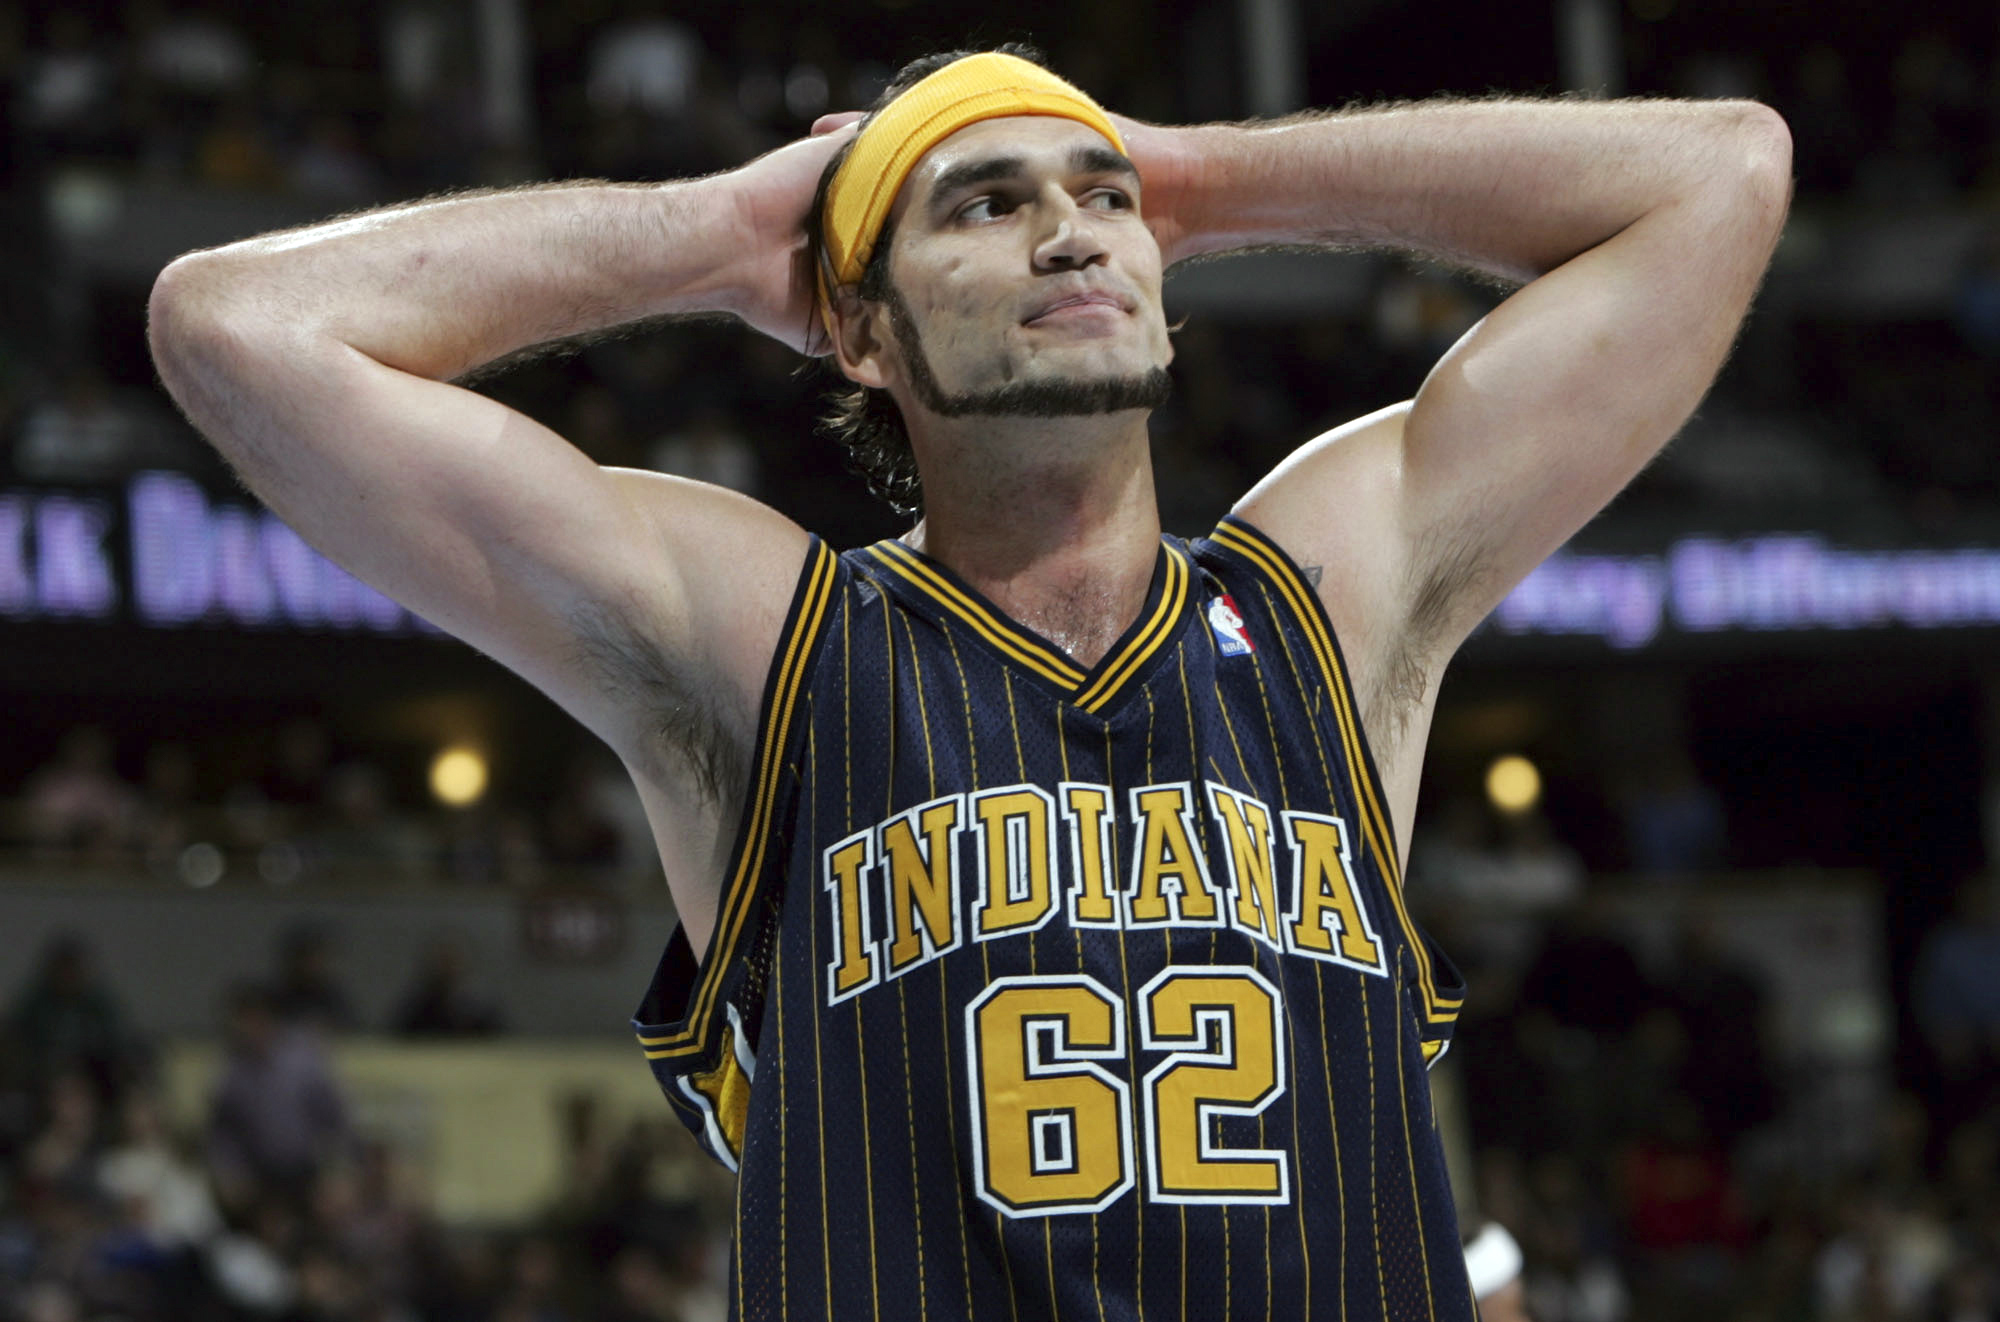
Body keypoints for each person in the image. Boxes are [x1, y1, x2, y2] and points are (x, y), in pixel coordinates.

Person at [146, 42, 1790, 1322]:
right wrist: (718, 232)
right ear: (856, 332)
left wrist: (1207, 173)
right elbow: (238, 326)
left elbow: (1725, 172)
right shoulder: (765, 640)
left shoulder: (1328, 602)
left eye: (1100, 194)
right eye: (982, 203)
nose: (1070, 230)